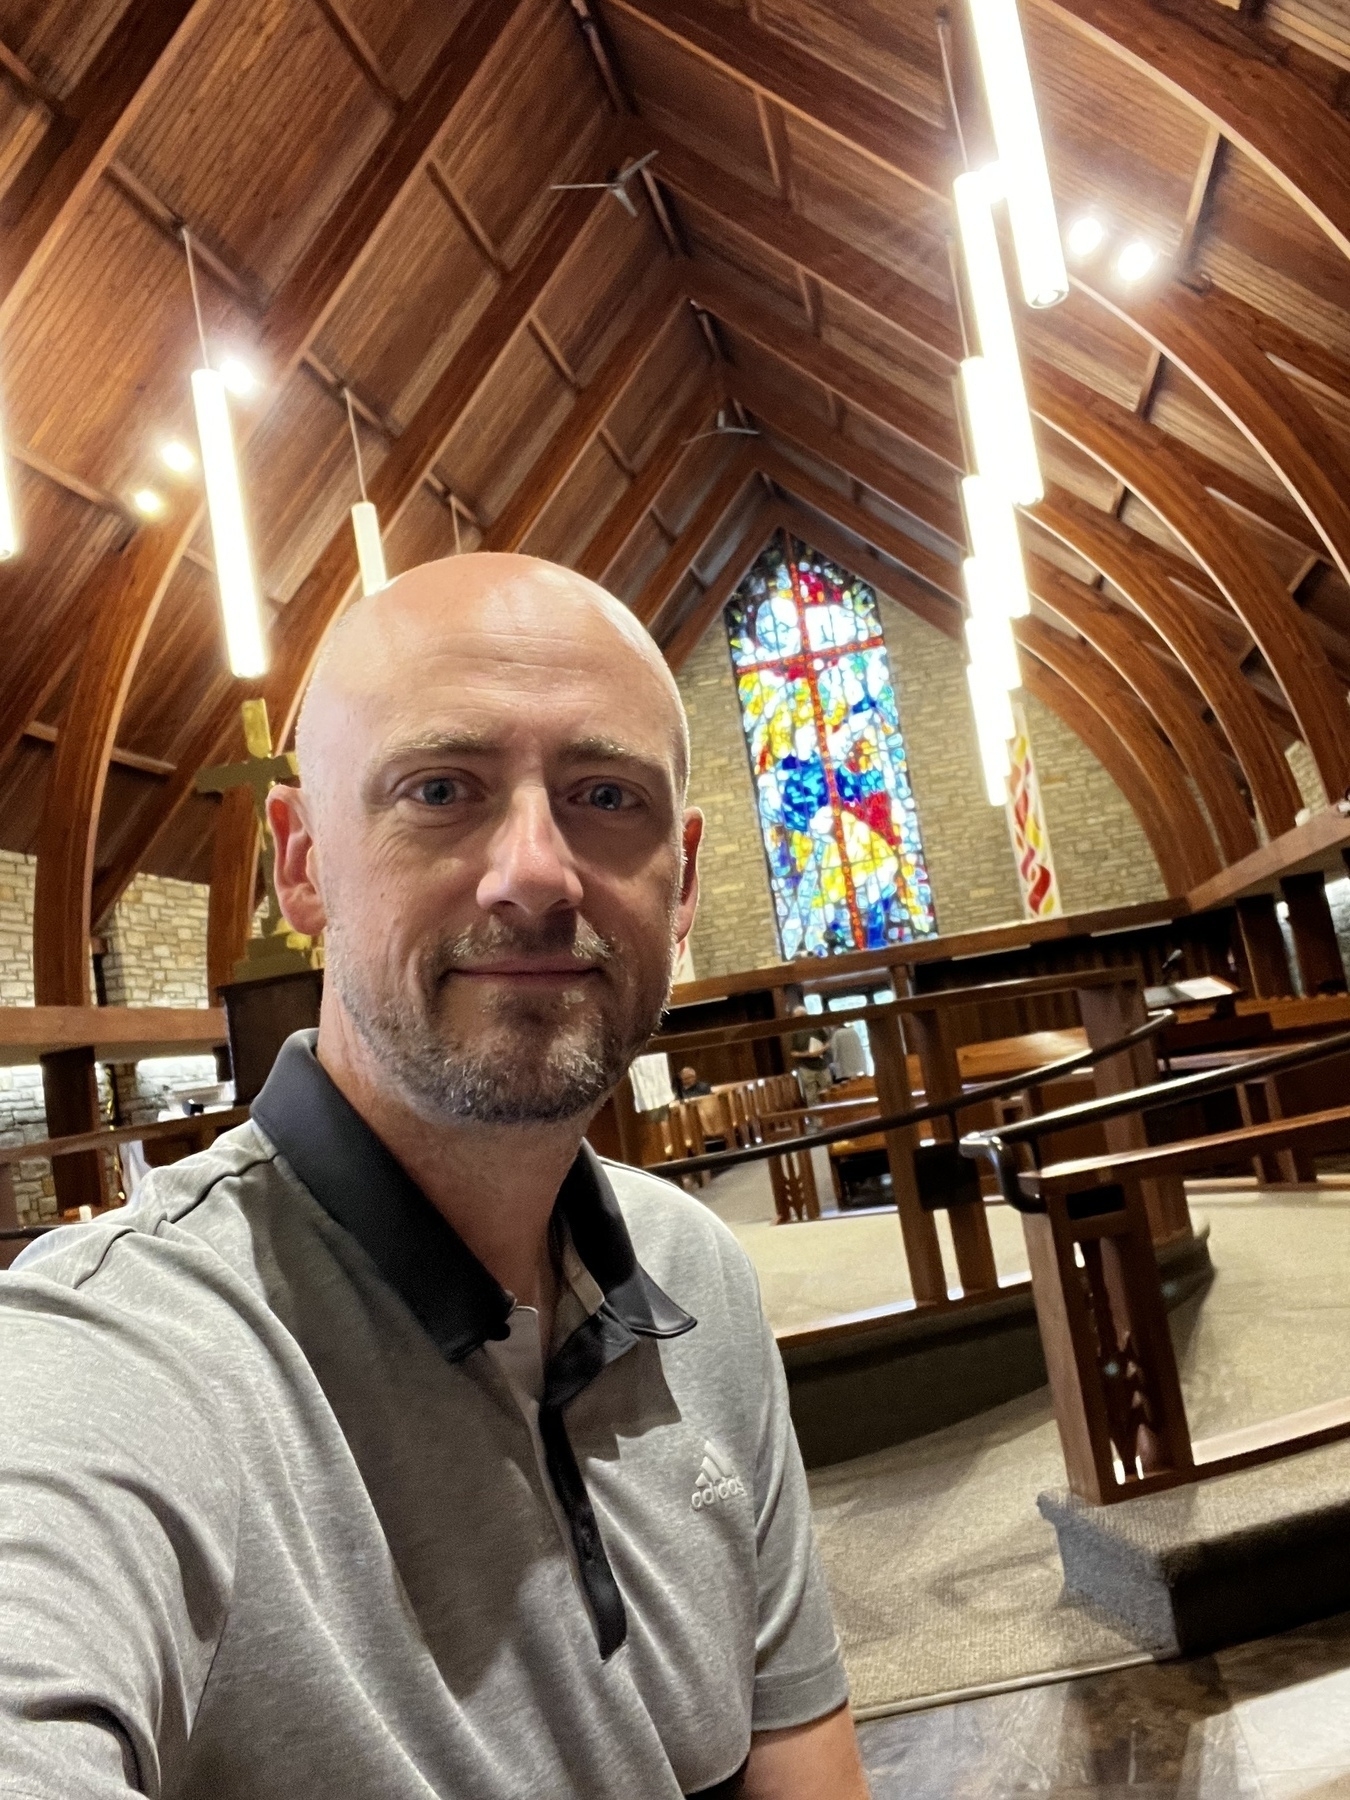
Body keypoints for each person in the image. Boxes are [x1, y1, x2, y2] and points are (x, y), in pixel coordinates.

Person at [0, 555, 868, 1800]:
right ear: (302, 865)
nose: (535, 872)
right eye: (443, 789)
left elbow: (799, 1762)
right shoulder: (118, 1353)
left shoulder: (698, 1281)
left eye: (604, 795)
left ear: (681, 881)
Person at [787, 1004, 832, 1109]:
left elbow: (828, 1042)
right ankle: (817, 1121)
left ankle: (830, 1117)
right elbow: (793, 1052)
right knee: (811, 1096)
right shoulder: (795, 1033)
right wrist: (806, 1054)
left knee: (828, 1090)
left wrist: (821, 1050)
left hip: (821, 1064)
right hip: (805, 1067)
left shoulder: (816, 1027)